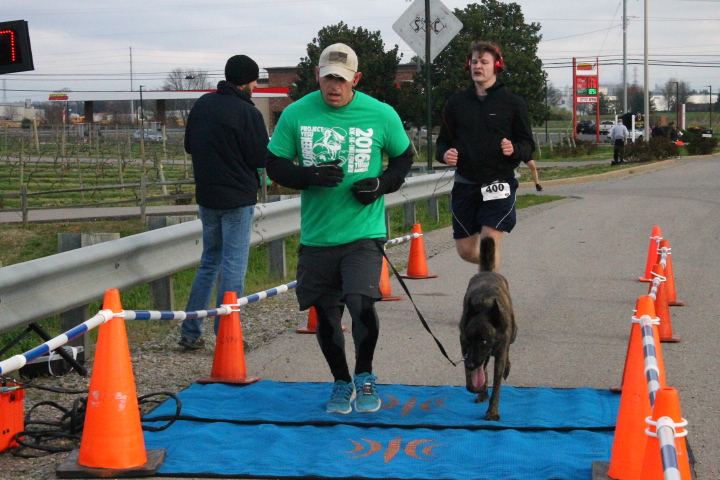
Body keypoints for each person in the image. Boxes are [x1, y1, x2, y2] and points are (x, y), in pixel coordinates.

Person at [266, 43, 413, 414]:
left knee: (361, 301)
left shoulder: (380, 114)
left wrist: (382, 184)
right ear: (318, 74)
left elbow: (403, 157)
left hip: (364, 231)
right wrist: (307, 175)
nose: (334, 86)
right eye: (329, 77)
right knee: (326, 313)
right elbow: (274, 164)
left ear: (356, 80)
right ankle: (340, 381)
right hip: (318, 234)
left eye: (343, 80)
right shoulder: (297, 114)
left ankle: (364, 376)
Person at [178, 54, 269, 350]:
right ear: (245, 81)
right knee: (233, 265)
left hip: (207, 196)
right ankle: (227, 335)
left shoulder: (203, 105)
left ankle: (191, 331)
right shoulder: (248, 113)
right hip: (238, 199)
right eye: (254, 80)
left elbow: (189, 145)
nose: (255, 85)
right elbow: (259, 158)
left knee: (209, 262)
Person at [435, 40, 535, 271]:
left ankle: (492, 299)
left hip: (499, 183)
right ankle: (494, 272)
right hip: (465, 184)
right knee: (467, 251)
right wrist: (444, 154)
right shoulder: (456, 103)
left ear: (496, 66)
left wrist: (515, 150)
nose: (478, 66)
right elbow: (442, 143)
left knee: (489, 243)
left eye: (484, 62)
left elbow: (528, 144)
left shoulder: (512, 102)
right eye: (474, 61)